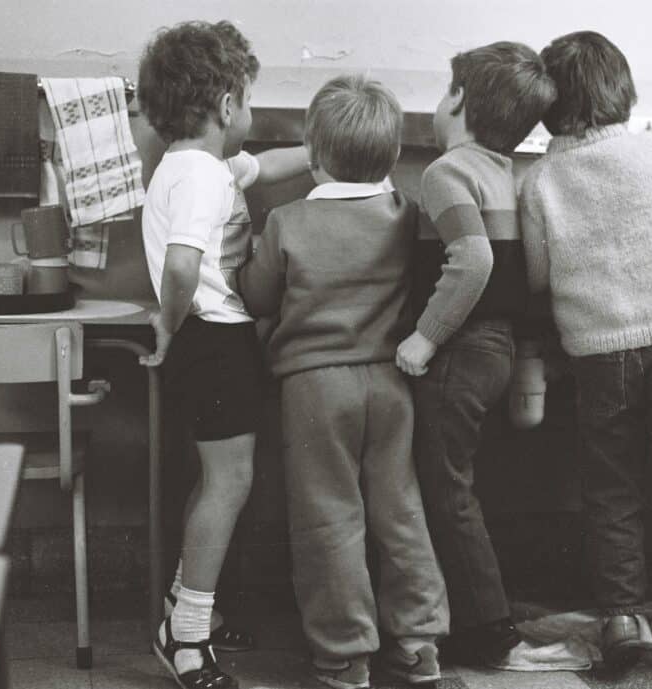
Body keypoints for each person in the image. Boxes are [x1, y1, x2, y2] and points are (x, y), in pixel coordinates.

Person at [519, 31, 652, 671]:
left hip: (599, 355)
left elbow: (535, 276)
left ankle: (622, 619)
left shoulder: (541, 180)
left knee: (612, 493)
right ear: (623, 90)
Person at [239, 74, 449, 689]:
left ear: (315, 152)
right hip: (390, 384)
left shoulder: (286, 222)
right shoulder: (402, 213)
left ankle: (345, 653)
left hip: (314, 387)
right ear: (390, 155)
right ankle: (416, 645)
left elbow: (257, 297)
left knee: (329, 518)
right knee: (400, 510)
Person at [137, 20, 309, 689]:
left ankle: (187, 607)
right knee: (230, 484)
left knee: (217, 482)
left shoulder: (188, 165)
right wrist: (167, 324)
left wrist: (323, 152)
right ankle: (185, 640)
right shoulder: (203, 177)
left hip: (208, 340)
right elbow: (182, 267)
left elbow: (264, 166)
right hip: (212, 337)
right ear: (228, 106)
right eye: (248, 99)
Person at [394, 41, 556, 666]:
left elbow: (473, 260)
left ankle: (490, 632)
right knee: (462, 485)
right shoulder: (506, 174)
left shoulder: (447, 172)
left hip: (459, 350)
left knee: (446, 490)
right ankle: (477, 618)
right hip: (501, 350)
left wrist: (423, 336)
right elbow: (532, 271)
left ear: (458, 98)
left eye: (444, 91)